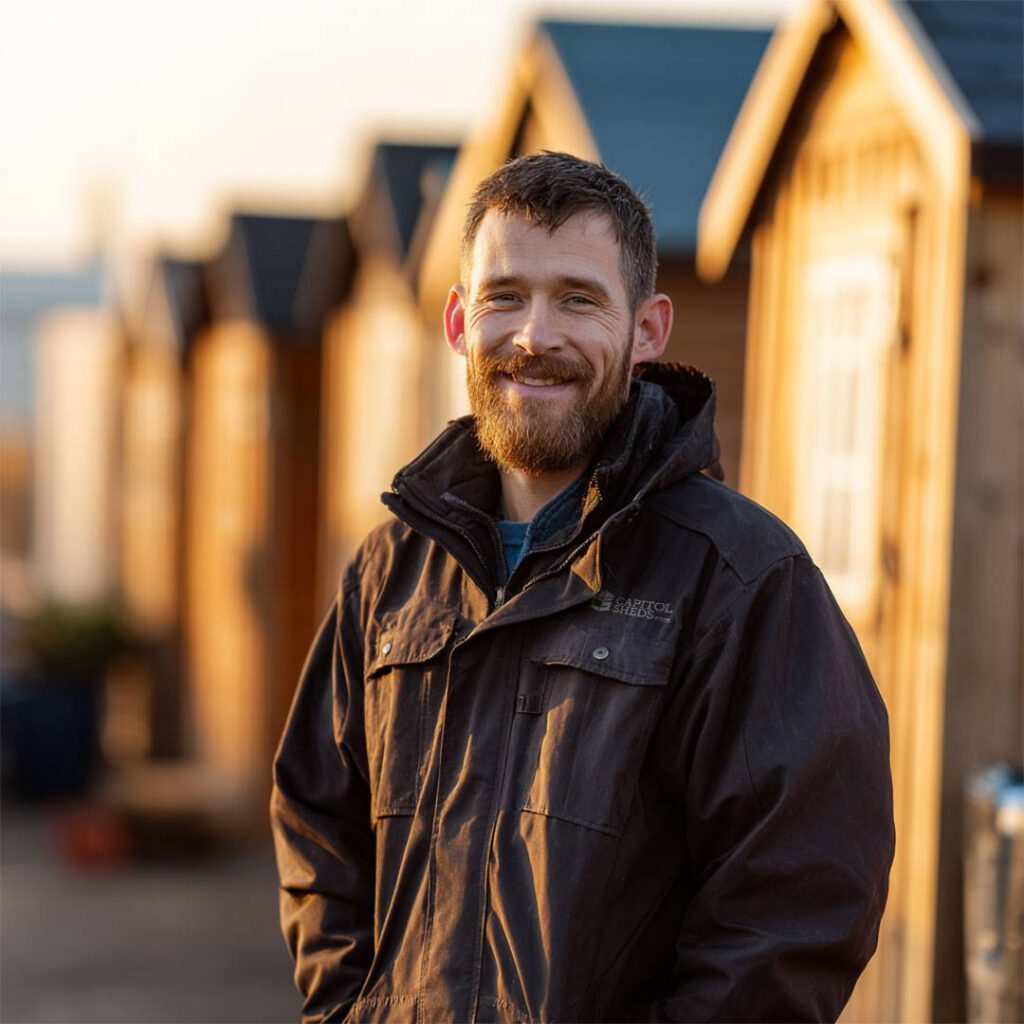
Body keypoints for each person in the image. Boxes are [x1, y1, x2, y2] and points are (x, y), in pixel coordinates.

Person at [271, 152, 895, 1023]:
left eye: (578, 299)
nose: (535, 335)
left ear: (648, 329)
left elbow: (797, 899)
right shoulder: (390, 571)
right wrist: (349, 1010)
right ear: (458, 320)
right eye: (505, 296)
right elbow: (316, 824)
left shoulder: (743, 580)